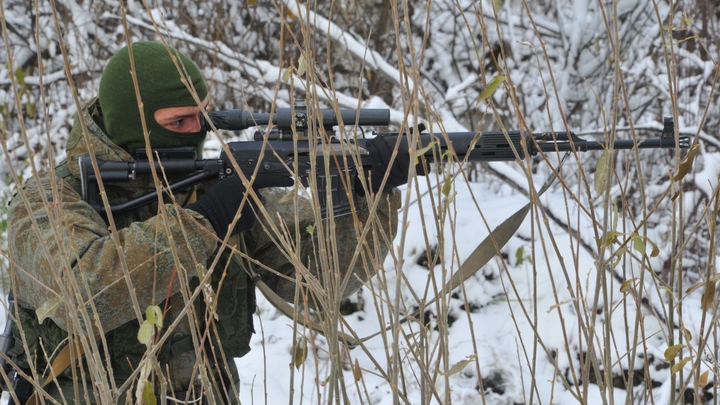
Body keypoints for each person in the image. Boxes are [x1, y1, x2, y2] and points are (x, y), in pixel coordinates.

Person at [5, 41, 410, 404]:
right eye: (177, 123)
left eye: (201, 118)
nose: (196, 133)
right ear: (132, 124)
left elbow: (321, 280)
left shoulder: (211, 183)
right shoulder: (49, 200)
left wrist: (369, 199)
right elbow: (83, 297)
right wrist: (207, 220)